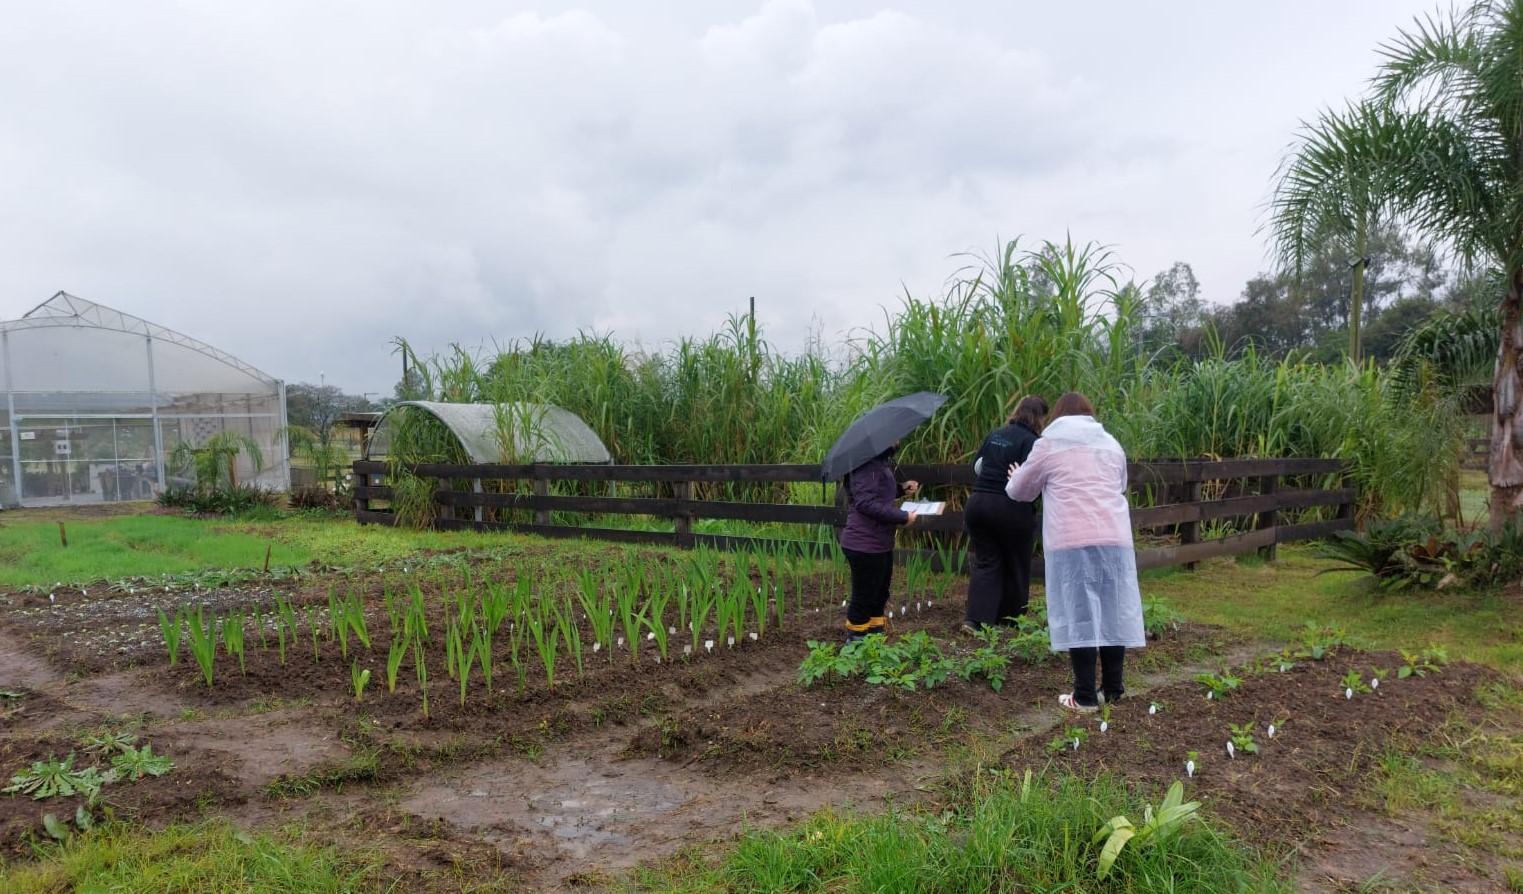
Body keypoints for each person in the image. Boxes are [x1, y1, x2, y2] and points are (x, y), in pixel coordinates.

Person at [1005, 392, 1144, 712]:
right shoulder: (1111, 444)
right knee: (1112, 610)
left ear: (1056, 416)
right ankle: (1113, 690)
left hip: (1072, 540)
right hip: (1115, 538)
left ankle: (1083, 696)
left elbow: (1020, 491)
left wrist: (1014, 477)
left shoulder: (1048, 444)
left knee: (1080, 613)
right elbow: (1119, 485)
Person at [964, 395, 1047, 629]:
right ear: (1040, 418)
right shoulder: (1032, 442)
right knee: (1016, 562)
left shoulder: (995, 435)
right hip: (1009, 506)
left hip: (978, 503)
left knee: (986, 562)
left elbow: (977, 466)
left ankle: (976, 619)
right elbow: (1032, 479)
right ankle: (1010, 618)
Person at [839, 444, 919, 641]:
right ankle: (856, 645)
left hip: (879, 542)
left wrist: (901, 489)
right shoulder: (866, 464)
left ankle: (874, 642)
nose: (898, 439)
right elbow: (865, 503)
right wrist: (902, 516)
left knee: (879, 594)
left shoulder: (878, 462)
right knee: (864, 596)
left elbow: (877, 493)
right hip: (864, 542)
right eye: (895, 437)